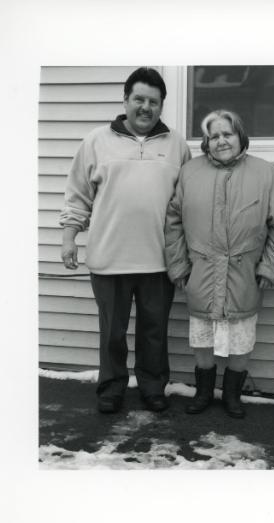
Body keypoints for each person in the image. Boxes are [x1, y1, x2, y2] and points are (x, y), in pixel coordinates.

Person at [60, 67, 191, 414]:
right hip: (109, 257)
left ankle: (152, 387)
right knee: (112, 334)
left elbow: (186, 201)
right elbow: (77, 195)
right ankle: (112, 387)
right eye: (139, 99)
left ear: (162, 105)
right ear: (126, 100)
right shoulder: (96, 141)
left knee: (154, 333)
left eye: (153, 101)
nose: (145, 107)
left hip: (159, 260)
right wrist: (69, 237)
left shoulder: (177, 145)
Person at [166, 110, 274, 418]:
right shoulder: (189, 172)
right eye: (214, 136)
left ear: (240, 137)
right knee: (202, 337)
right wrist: (179, 266)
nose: (221, 141)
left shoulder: (265, 173)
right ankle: (204, 392)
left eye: (228, 134)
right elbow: (173, 222)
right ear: (206, 142)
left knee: (241, 338)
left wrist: (269, 267)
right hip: (201, 272)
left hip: (244, 273)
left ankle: (233, 395)